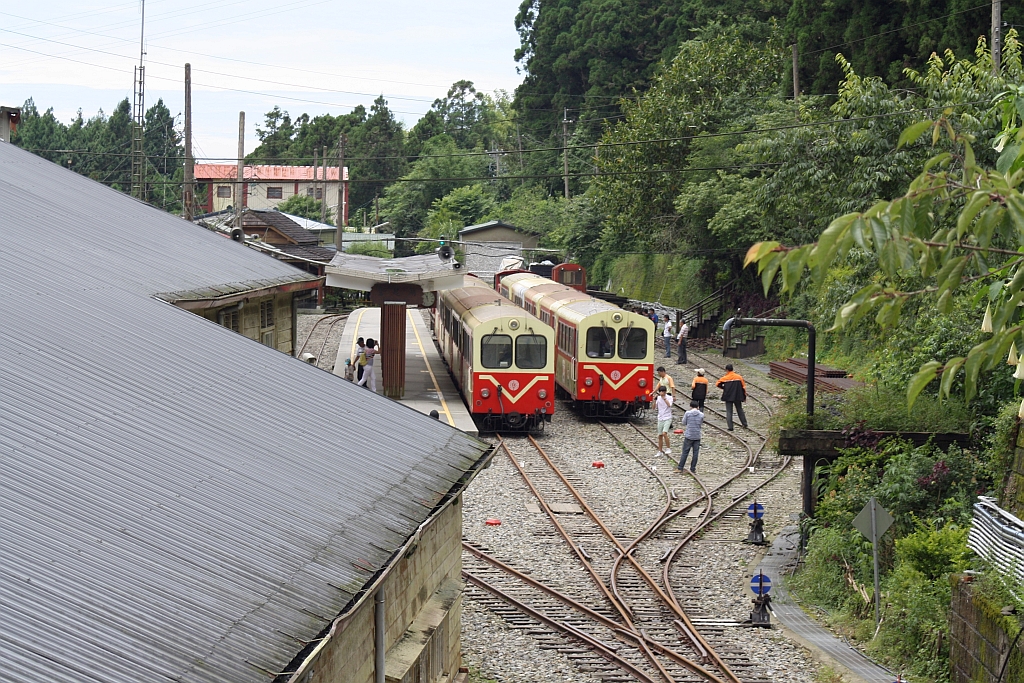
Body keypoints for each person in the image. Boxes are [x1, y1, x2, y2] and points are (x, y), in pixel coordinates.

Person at [716, 363, 748, 430]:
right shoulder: (739, 377)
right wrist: (744, 396)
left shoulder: (725, 378)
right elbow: (744, 387)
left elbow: (717, 384)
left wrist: (723, 388)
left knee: (729, 411)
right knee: (739, 409)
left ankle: (730, 427)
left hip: (728, 396)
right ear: (732, 369)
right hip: (737, 396)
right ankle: (744, 424)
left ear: (727, 370)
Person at [678, 400, 704, 473]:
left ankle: (680, 467)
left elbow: (684, 422)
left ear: (690, 406)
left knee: (685, 452)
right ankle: (693, 468)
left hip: (689, 435)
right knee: (695, 453)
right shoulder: (701, 415)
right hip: (697, 435)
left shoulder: (688, 413)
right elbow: (701, 423)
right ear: (698, 407)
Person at [655, 385, 674, 456]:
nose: (662, 393)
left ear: (665, 392)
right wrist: (654, 400)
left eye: (663, 391)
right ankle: (660, 451)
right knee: (660, 435)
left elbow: (669, 405)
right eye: (661, 392)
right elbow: (654, 408)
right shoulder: (658, 398)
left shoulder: (669, 397)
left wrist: (664, 398)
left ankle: (668, 448)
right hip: (660, 418)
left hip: (667, 417)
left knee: (664, 433)